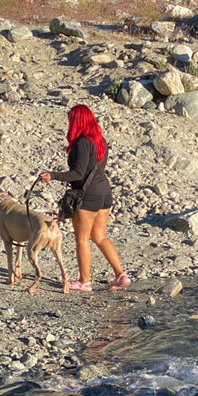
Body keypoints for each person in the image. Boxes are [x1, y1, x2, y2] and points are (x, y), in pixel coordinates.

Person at [40, 104, 131, 292]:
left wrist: (53, 175)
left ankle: (84, 281)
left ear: (77, 121)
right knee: (99, 237)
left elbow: (77, 174)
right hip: (104, 193)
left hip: (88, 196)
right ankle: (121, 275)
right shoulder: (100, 140)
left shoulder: (82, 142)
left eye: (71, 119)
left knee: (82, 239)